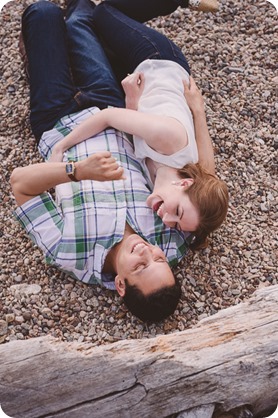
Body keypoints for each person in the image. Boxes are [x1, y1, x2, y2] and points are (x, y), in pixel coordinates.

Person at [11, 0, 193, 323]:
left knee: (43, 14)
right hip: (111, 108)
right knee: (82, 15)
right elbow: (206, 188)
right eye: (159, 260)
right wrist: (199, 112)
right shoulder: (172, 238)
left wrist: (76, 171)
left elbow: (21, 184)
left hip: (56, 121)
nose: (147, 253)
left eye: (140, 267)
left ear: (120, 285)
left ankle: (38, 56)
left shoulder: (70, 253)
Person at [50, 0, 229, 250]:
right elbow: (107, 117)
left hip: (137, 85)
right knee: (104, 12)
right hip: (158, 60)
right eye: (177, 211)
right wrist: (60, 147)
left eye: (175, 226)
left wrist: (132, 102)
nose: (166, 219)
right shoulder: (171, 140)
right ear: (185, 184)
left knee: (85, 28)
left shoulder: (180, 178)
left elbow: (209, 172)